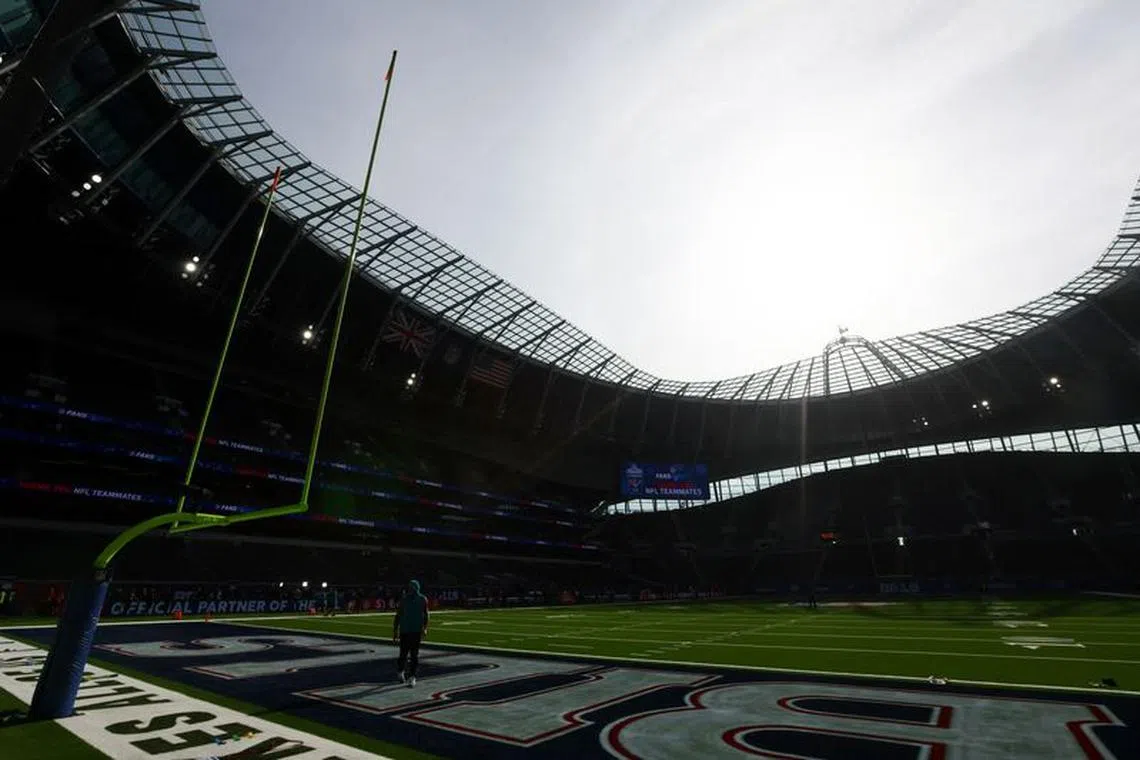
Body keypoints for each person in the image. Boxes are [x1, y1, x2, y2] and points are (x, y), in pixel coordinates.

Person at [393, 579, 429, 686]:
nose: (411, 590)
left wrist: (425, 627)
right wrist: (395, 630)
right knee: (403, 654)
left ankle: (412, 676)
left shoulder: (422, 599)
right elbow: (398, 615)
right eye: (410, 588)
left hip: (416, 630)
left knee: (414, 655)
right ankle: (401, 671)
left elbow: (426, 614)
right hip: (405, 630)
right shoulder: (404, 600)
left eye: (412, 588)